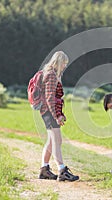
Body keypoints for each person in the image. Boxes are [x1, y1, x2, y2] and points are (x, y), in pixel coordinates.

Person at [38, 51, 79, 182]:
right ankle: (62, 171)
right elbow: (50, 97)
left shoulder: (52, 74)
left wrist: (60, 113)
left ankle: (44, 170)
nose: (65, 66)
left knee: (52, 141)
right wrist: (56, 115)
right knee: (57, 141)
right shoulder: (51, 75)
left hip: (49, 112)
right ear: (59, 62)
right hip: (49, 112)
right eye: (64, 64)